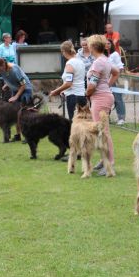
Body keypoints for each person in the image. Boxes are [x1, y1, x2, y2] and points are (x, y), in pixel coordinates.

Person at [86, 34, 119, 176]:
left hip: (99, 98)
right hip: (104, 96)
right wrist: (107, 85)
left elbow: (92, 85)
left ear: (93, 46)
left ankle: (109, 163)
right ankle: (104, 160)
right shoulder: (105, 60)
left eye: (88, 44)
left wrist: (86, 93)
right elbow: (116, 72)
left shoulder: (97, 63)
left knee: (103, 132)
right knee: (102, 131)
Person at [0, 57, 33, 142]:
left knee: (23, 114)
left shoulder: (14, 70)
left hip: (25, 90)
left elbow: (23, 84)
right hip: (16, 90)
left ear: (3, 65)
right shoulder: (3, 70)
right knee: (16, 114)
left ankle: (28, 136)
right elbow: (9, 79)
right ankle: (18, 135)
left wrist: (16, 97)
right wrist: (7, 85)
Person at [50, 40, 86, 120]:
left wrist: (56, 91)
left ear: (64, 51)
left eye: (62, 52)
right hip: (82, 95)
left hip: (73, 96)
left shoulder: (70, 63)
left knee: (73, 124)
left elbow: (68, 83)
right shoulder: (80, 61)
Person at [106, 38, 126, 125]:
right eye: (105, 44)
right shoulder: (102, 55)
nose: (107, 45)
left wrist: (118, 75)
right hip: (105, 79)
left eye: (109, 44)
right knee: (106, 99)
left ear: (112, 45)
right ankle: (106, 118)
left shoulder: (115, 54)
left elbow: (120, 66)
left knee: (118, 99)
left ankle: (121, 118)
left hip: (114, 78)